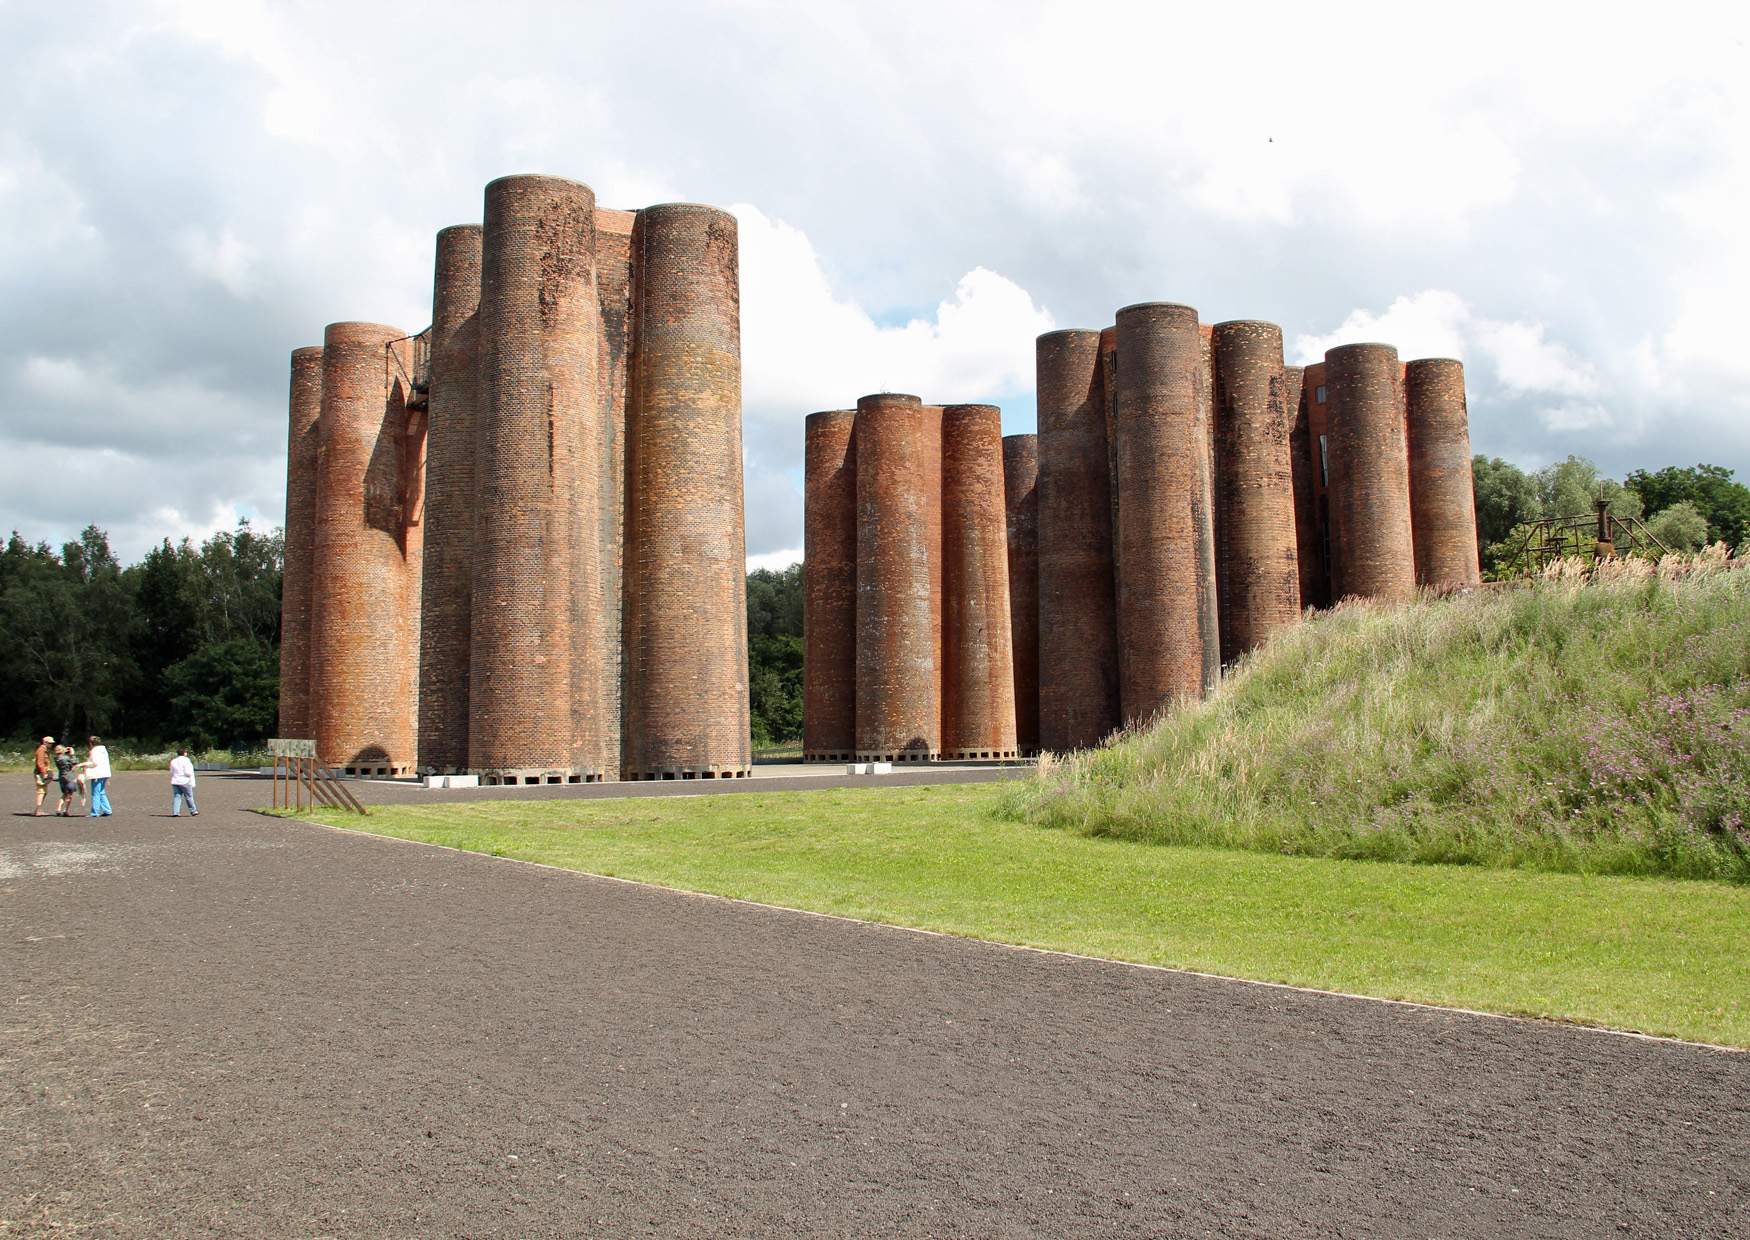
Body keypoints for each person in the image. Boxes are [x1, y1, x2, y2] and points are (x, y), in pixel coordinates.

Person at [81, 736, 112, 817]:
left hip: (97, 774)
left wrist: (82, 765)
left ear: (91, 743)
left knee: (96, 793)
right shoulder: (103, 750)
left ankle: (95, 812)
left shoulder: (94, 751)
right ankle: (107, 810)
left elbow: (94, 763)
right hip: (104, 773)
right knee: (101, 792)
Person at [169, 747, 198, 817]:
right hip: (185, 781)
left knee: (177, 797)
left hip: (175, 781)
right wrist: (190, 778)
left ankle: (176, 812)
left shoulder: (173, 761)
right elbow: (188, 771)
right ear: (184, 753)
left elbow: (171, 772)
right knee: (189, 796)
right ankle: (193, 810)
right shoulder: (186, 760)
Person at [32, 735, 54, 816]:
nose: (51, 745)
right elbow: (40, 763)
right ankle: (37, 810)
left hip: (43, 772)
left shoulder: (45, 750)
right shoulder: (41, 750)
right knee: (41, 792)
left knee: (44, 792)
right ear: (45, 742)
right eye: (50, 743)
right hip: (40, 773)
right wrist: (44, 773)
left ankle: (38, 809)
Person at [54, 745, 78, 816]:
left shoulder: (56, 758)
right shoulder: (66, 758)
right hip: (69, 777)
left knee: (64, 793)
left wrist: (66, 752)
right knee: (70, 794)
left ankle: (58, 808)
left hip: (61, 777)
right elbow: (75, 763)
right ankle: (65, 810)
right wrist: (72, 754)